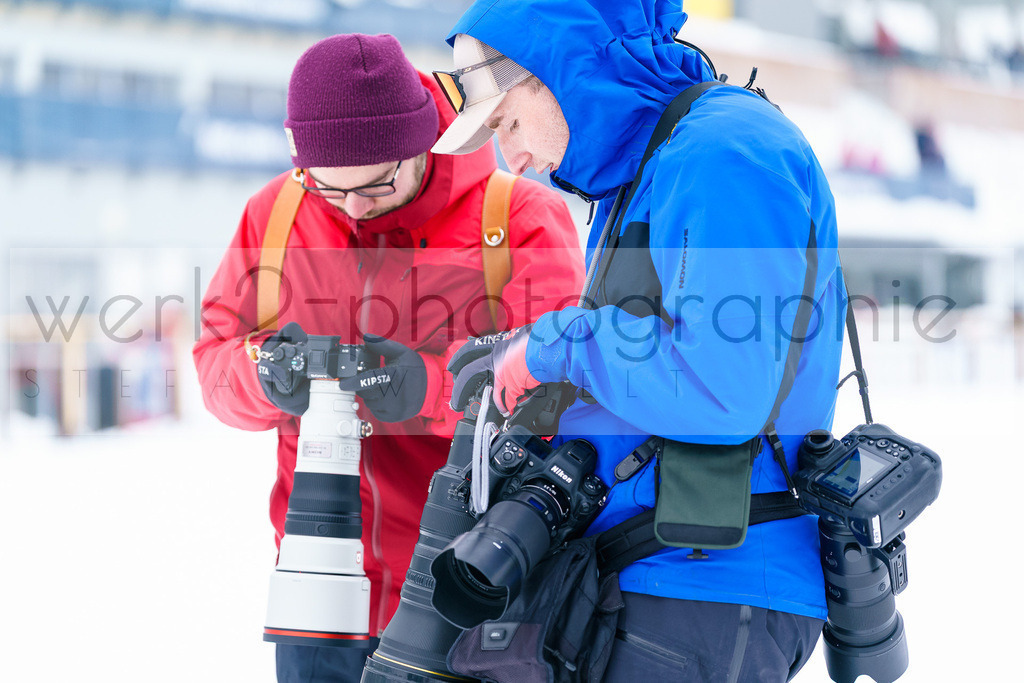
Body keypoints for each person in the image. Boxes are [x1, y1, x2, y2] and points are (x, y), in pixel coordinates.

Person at [435, 1, 844, 681]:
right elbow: (650, 354)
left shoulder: (723, 152)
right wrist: (537, 364)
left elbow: (724, 385)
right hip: (647, 573)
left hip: (707, 587)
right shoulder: (656, 162)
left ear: (561, 70)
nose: (515, 159)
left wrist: (556, 346)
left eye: (507, 123)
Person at [192, 33, 583, 683]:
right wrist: (266, 376)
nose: (353, 206)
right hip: (315, 594)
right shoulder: (276, 214)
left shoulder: (518, 220)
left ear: (421, 142)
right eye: (327, 186)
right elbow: (213, 360)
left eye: (376, 183)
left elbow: (559, 397)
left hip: (460, 597)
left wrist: (427, 389)